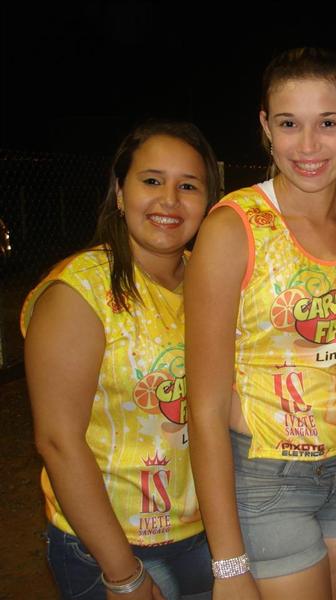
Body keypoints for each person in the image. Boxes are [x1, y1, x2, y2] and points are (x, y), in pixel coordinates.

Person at [185, 48, 336, 600]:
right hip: (268, 476)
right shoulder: (233, 227)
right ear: (267, 128)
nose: (308, 146)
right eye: (290, 124)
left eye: (328, 123)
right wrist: (228, 564)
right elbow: (204, 406)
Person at [22, 120, 220, 600]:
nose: (169, 201)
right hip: (112, 545)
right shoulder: (79, 292)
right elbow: (58, 441)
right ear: (119, 192)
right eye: (151, 181)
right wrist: (122, 572)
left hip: (206, 533)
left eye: (188, 186)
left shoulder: (212, 279)